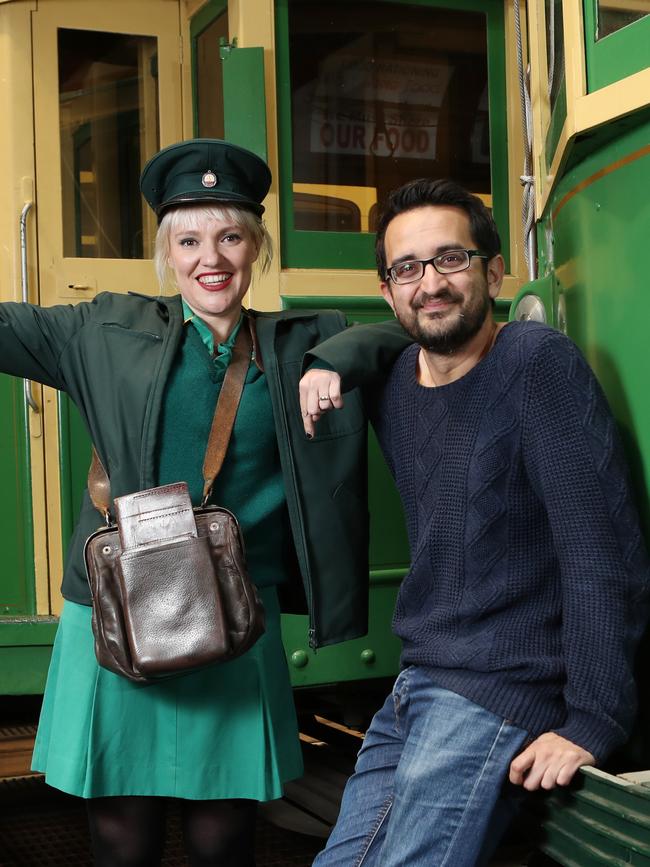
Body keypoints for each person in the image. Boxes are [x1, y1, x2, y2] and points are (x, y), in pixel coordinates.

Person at [0, 139, 409, 867]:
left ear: (256, 246)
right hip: (116, 618)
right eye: (188, 239)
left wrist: (335, 362)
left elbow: (408, 331)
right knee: (121, 838)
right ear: (167, 252)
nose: (209, 257)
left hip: (232, 617)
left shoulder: (300, 343)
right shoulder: (103, 330)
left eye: (229, 236)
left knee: (224, 837)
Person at [299, 178, 650, 866]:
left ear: (493, 271)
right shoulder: (396, 384)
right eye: (407, 268)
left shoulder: (533, 362)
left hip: (501, 688)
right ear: (387, 291)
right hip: (417, 684)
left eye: (450, 259)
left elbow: (599, 550)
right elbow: (381, 340)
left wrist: (594, 718)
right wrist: (329, 357)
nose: (429, 283)